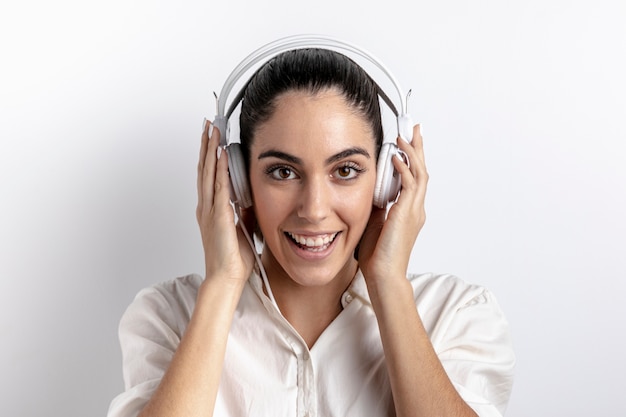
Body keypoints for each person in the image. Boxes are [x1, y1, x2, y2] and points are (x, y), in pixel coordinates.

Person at [107, 39, 515, 417]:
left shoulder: (455, 314)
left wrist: (388, 282)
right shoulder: (168, 317)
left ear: (385, 180)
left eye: (346, 170)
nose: (314, 210)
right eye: (283, 172)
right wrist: (223, 285)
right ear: (238, 181)